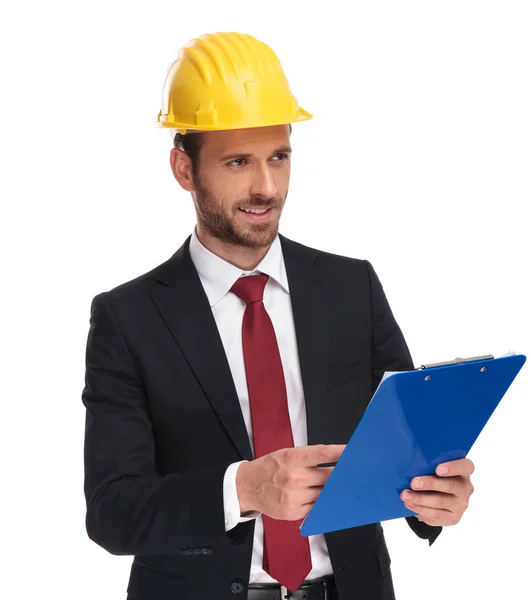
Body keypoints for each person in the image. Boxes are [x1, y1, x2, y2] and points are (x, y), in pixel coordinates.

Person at [82, 32, 475, 600]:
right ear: (184, 168)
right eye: (238, 162)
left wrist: (435, 502)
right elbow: (113, 512)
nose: (265, 187)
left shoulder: (351, 287)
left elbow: (403, 453)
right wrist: (243, 488)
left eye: (278, 157)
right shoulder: (128, 318)